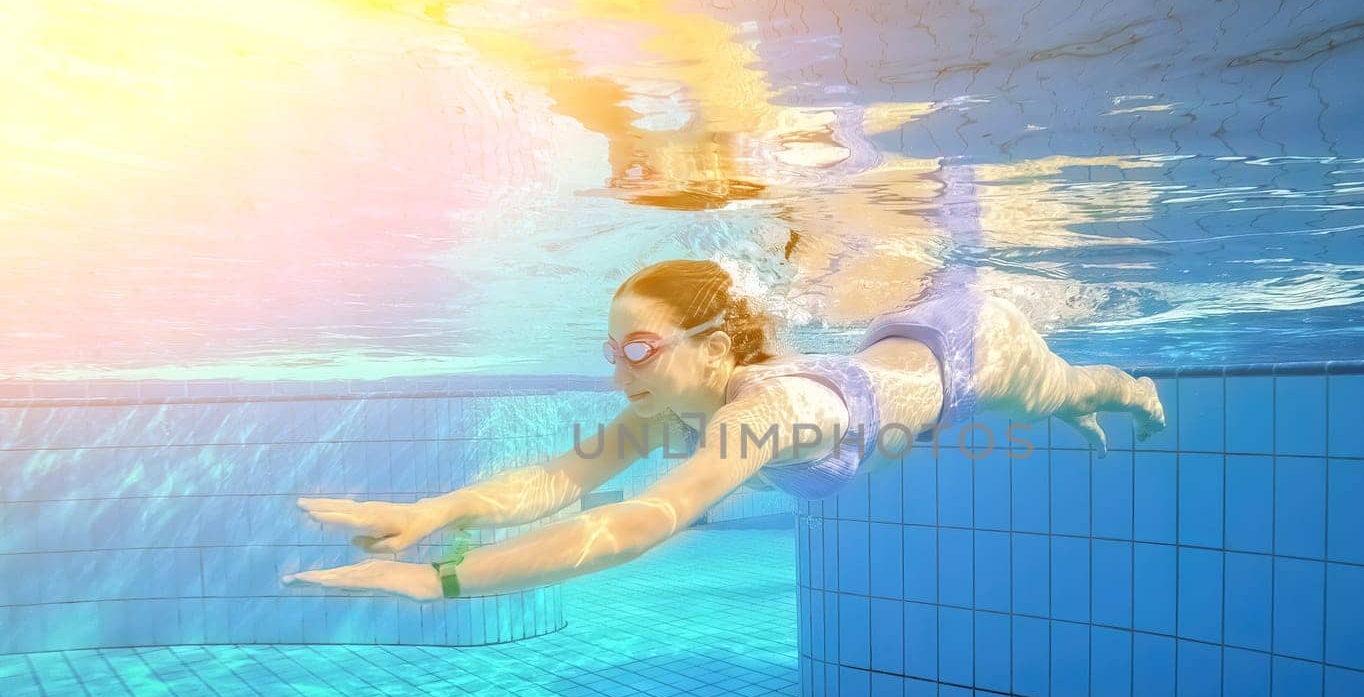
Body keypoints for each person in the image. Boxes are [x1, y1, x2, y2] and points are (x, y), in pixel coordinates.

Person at [282, 259, 1165, 601]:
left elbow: (633, 525)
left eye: (637, 347)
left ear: (713, 350)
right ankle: (1080, 406)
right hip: (894, 345)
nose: (618, 371)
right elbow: (566, 479)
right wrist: (436, 510)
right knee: (1055, 406)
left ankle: (1124, 391)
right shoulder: (670, 402)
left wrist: (440, 582)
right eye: (611, 349)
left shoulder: (760, 418)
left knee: (1067, 391)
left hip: (976, 356)